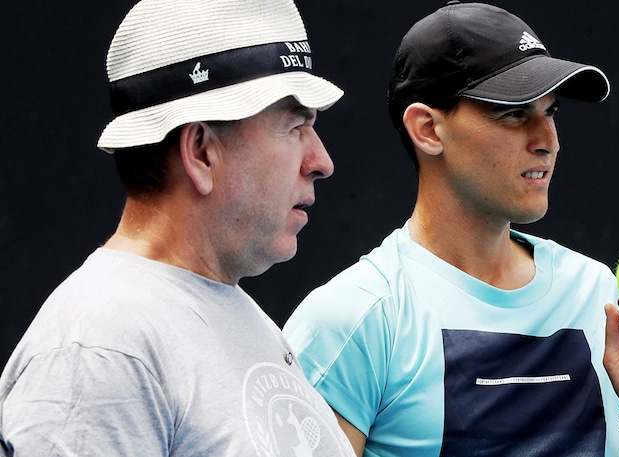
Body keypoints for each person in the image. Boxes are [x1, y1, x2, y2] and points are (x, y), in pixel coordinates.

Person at [283, 2, 619, 456]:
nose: (549, 140)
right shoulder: (353, 321)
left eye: (552, 111)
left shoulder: (597, 294)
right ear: (427, 129)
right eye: (514, 112)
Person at [0, 0, 356, 456]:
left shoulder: (224, 314)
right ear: (201, 152)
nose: (321, 162)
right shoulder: (103, 347)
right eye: (294, 127)